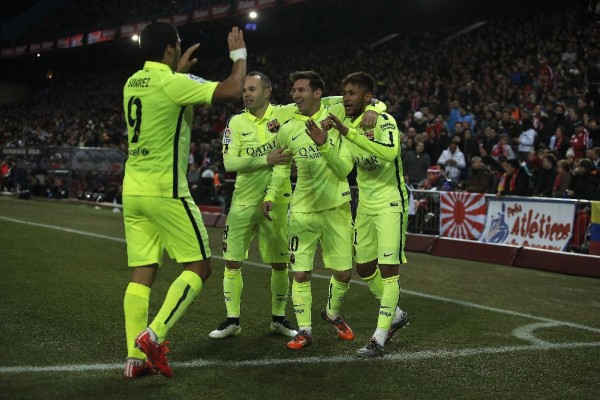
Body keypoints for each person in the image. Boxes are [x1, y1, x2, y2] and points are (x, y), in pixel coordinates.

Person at [121, 22, 246, 379]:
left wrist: (177, 74)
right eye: (176, 44)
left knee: (142, 274)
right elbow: (233, 89)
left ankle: (134, 359)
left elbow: (165, 96)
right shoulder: (174, 83)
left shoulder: (132, 82)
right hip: (167, 190)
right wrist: (239, 55)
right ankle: (154, 335)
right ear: (169, 48)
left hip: (133, 191)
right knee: (199, 267)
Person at [209, 71, 345, 339]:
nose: (246, 93)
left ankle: (279, 319)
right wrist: (264, 159)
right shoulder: (235, 122)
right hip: (243, 202)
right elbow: (229, 163)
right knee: (232, 261)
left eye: (251, 89)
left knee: (281, 264)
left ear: (267, 92)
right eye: (244, 89)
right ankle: (232, 320)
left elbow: (328, 98)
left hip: (280, 200)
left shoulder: (283, 114)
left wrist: (373, 103)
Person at [261, 71, 376, 350]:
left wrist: (373, 108)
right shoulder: (287, 128)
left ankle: (332, 313)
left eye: (301, 90)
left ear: (317, 93)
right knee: (300, 273)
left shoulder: (338, 117)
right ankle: (304, 330)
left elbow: (344, 169)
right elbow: (281, 167)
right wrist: (271, 194)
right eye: (293, 91)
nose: (295, 95)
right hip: (302, 210)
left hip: (337, 207)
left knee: (344, 273)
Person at [324, 71, 410, 358]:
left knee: (389, 271)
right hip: (365, 207)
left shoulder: (383, 120)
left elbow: (389, 153)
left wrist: (352, 132)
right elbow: (343, 168)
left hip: (390, 204)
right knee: (363, 268)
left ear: (367, 97)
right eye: (345, 92)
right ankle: (396, 314)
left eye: (352, 93)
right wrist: (323, 145)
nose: (346, 97)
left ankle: (379, 338)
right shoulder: (348, 125)